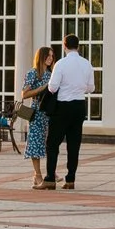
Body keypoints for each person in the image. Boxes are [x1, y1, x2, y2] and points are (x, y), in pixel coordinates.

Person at [44, 33, 95, 190]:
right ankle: (70, 179)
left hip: (62, 106)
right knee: (74, 144)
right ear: (78, 46)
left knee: (52, 143)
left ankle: (50, 178)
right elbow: (91, 88)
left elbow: (52, 87)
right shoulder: (87, 64)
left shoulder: (61, 64)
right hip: (79, 106)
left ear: (64, 46)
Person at [19, 44, 54, 187]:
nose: (51, 59)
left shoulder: (51, 74)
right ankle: (37, 175)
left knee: (47, 144)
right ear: (42, 57)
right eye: (48, 56)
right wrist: (41, 88)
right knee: (35, 143)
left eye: (52, 56)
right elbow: (24, 94)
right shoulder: (33, 73)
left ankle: (49, 172)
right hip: (36, 112)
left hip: (48, 113)